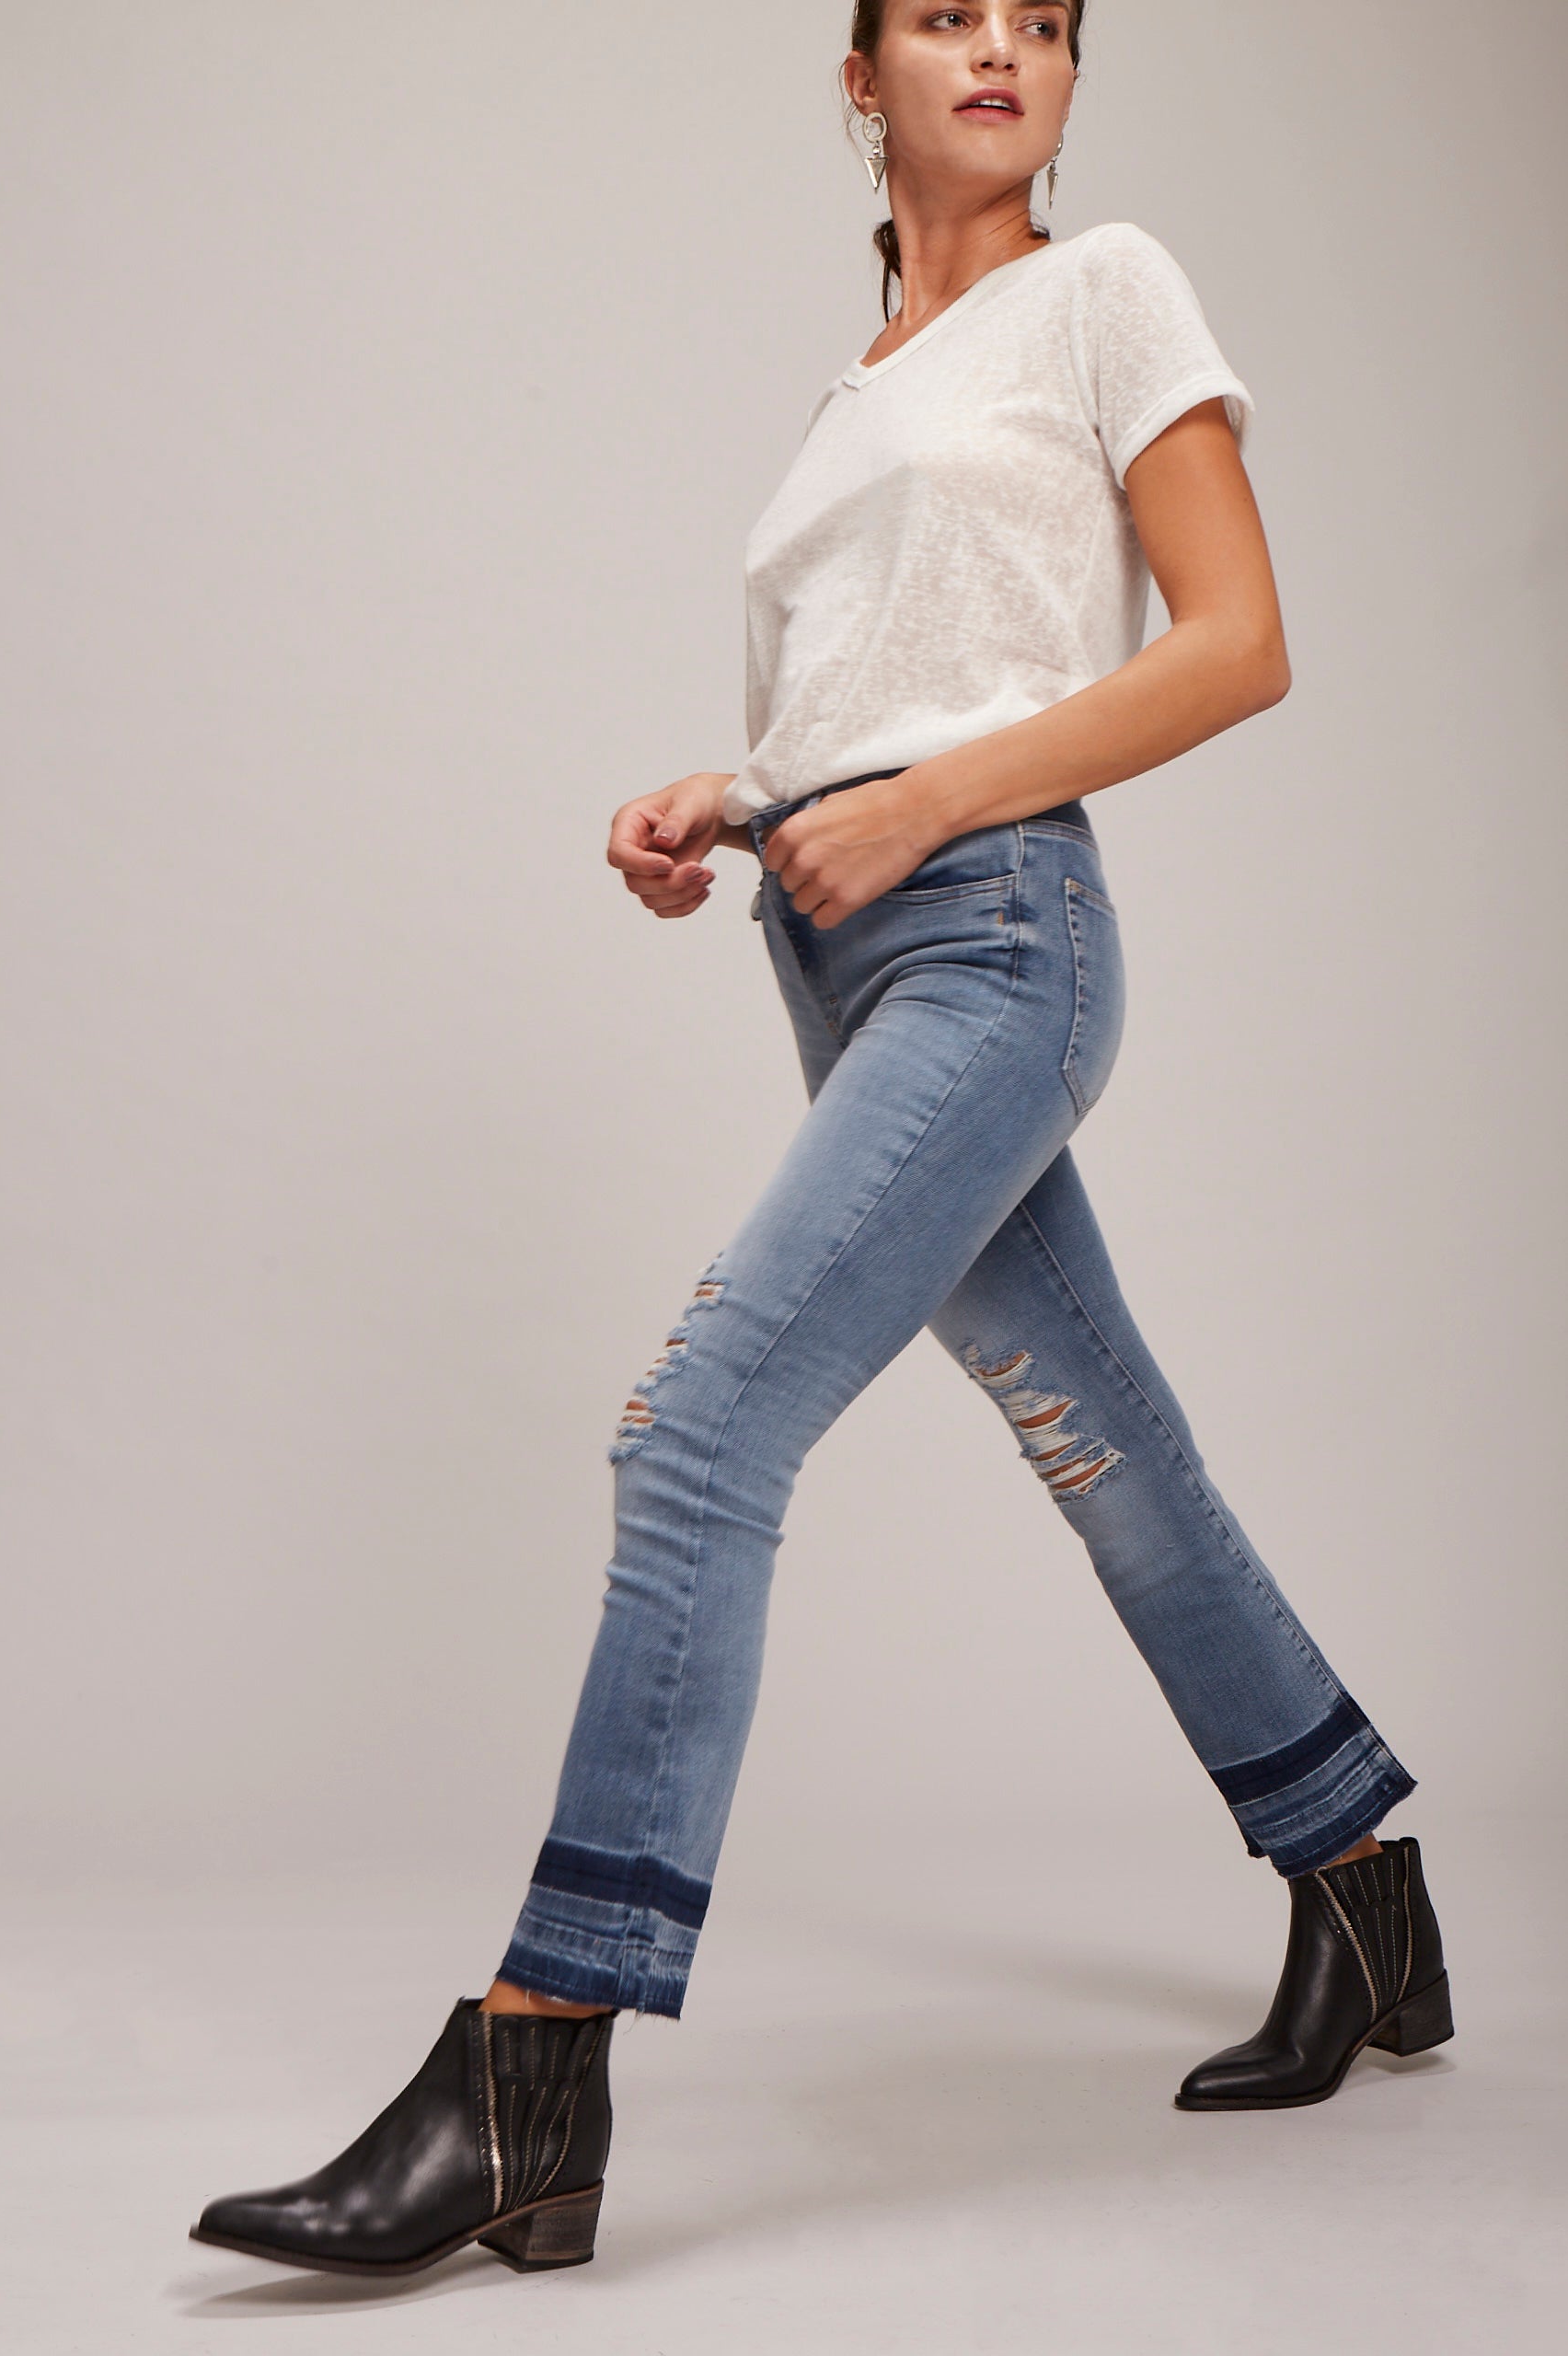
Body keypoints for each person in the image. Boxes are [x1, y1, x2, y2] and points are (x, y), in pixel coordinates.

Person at [190, 0, 1452, 2283]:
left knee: (695, 1434)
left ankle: (531, 2060)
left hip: (996, 941)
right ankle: (1360, 1883)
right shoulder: (858, 389)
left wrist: (919, 803)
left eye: (1040, 24)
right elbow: (889, 692)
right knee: (1106, 1445)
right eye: (946, 17)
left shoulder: (1103, 289)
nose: (1001, 52)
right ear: (854, 79)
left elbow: (1235, 644)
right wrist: (736, 792)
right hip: (843, 956)